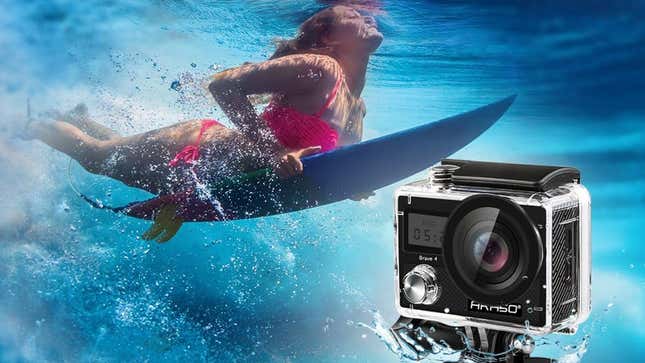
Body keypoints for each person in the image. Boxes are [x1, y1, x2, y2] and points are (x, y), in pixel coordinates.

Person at [25, 5, 383, 239]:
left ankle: (78, 118)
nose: (368, 18)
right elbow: (223, 85)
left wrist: (353, 187)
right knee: (96, 158)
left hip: (221, 176)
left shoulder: (357, 106)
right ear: (327, 37)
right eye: (354, 15)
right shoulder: (320, 68)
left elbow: (330, 162)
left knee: (110, 151)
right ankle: (30, 124)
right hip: (198, 151)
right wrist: (273, 149)